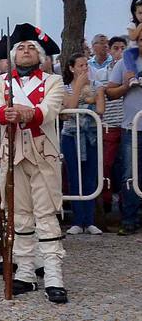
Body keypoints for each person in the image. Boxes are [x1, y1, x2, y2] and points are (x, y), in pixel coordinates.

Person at [0, 22, 68, 302]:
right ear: (13, 55)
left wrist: (28, 114)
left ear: (40, 56)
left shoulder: (53, 81)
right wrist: (4, 115)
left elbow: (51, 108)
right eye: (22, 48)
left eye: (32, 48)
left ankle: (53, 276)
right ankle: (26, 273)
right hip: (10, 153)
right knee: (20, 217)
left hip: (43, 155)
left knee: (46, 217)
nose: (26, 51)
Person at [59, 51, 101, 235]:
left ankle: (89, 220)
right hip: (71, 136)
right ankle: (77, 220)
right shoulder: (63, 87)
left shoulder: (97, 85)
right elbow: (68, 110)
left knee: (90, 176)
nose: (84, 69)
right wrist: (78, 88)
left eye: (86, 65)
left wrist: (93, 95)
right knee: (74, 176)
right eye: (80, 66)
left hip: (90, 135)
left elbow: (100, 108)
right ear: (71, 68)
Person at [103, 36, 140, 235]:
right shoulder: (125, 62)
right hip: (131, 128)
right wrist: (127, 86)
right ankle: (129, 219)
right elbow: (110, 93)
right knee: (129, 175)